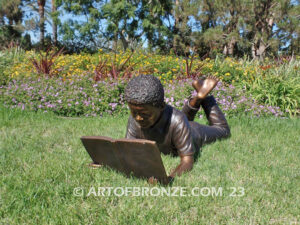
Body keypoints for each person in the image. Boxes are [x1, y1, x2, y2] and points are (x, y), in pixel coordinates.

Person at [124, 74, 230, 185]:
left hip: (194, 132)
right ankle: (197, 98)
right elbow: (128, 148)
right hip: (178, 126)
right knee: (180, 121)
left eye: (145, 114)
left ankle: (204, 97)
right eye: (134, 112)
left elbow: (187, 161)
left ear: (161, 107)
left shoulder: (178, 120)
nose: (138, 118)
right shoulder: (135, 118)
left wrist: (170, 178)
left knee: (223, 130)